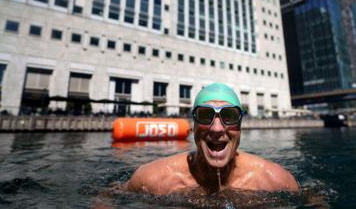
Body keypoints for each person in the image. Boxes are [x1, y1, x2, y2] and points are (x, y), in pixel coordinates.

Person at [126, 83, 299, 195]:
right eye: (205, 115)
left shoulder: (276, 180)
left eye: (229, 116)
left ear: (240, 126)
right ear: (193, 125)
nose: (217, 128)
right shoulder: (151, 179)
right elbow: (107, 198)